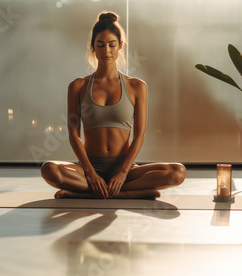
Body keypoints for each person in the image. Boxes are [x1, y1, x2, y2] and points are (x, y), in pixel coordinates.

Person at [41, 11, 186, 199]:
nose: (106, 51)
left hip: (124, 169)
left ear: (120, 47)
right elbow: (73, 135)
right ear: (93, 47)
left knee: (177, 172)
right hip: (87, 168)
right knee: (49, 169)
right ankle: (126, 193)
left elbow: (139, 135)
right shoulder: (78, 86)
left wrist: (123, 173)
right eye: (100, 45)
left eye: (112, 45)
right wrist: (91, 173)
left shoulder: (137, 87)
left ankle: (97, 192)